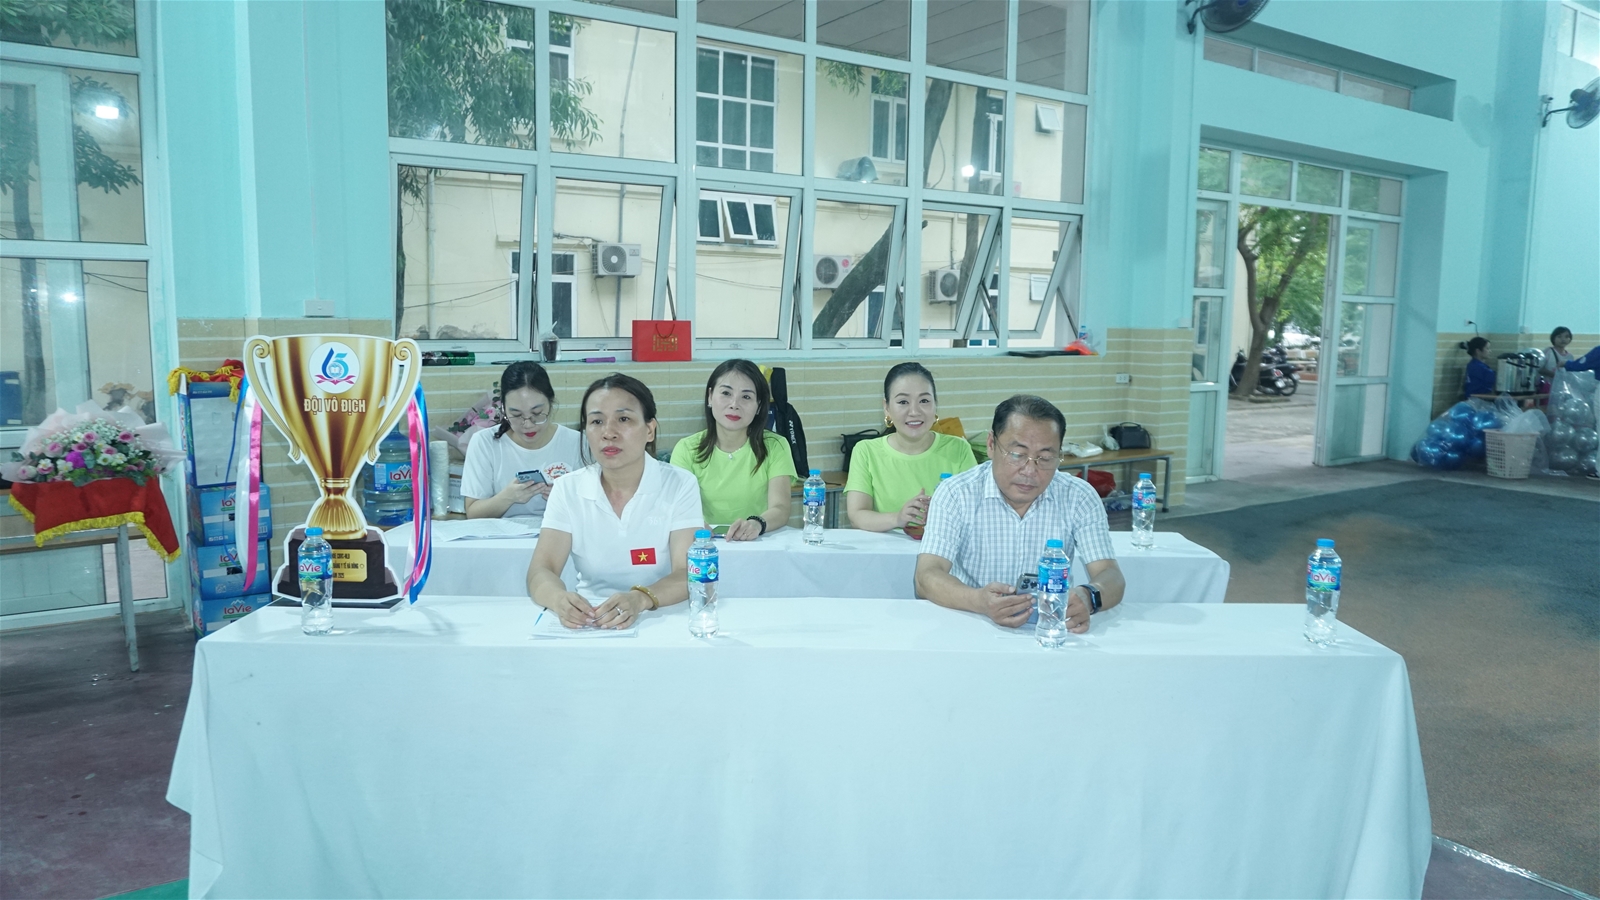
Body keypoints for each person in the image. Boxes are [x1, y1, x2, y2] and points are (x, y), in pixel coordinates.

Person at [914, 394, 1126, 635]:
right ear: (991, 445)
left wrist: (1089, 596)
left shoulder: (1079, 496)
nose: (1029, 470)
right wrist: (979, 601)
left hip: (1052, 630)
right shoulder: (955, 494)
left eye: (1045, 458)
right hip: (972, 627)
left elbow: (1111, 575)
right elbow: (926, 576)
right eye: (1017, 454)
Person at [528, 374, 704, 629]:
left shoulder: (679, 484)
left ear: (650, 430)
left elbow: (687, 573)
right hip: (590, 619)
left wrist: (640, 598)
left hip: (662, 616)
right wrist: (559, 600)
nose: (608, 433)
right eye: (597, 421)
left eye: (623, 419)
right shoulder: (568, 488)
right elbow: (541, 570)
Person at [670, 359, 796, 541]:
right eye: (726, 393)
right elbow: (678, 507)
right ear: (710, 397)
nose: (734, 404)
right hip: (703, 544)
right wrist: (694, 524)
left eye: (746, 397)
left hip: (758, 542)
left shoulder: (776, 445)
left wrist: (756, 524)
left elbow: (781, 508)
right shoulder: (686, 448)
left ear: (759, 406)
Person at [845, 362, 978, 534]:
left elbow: (975, 512)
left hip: (943, 548)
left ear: (935, 405)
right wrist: (898, 518)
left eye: (924, 401)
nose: (914, 411)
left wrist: (944, 515)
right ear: (887, 408)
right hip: (886, 549)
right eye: (903, 402)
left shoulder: (959, 448)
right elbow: (857, 515)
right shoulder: (866, 451)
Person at [461, 361, 584, 519]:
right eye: (517, 415)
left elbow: (599, 508)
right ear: (504, 409)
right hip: (502, 534)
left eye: (537, 413)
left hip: (558, 533)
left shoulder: (577, 443)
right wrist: (508, 497)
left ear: (551, 404)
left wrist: (567, 501)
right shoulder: (484, 443)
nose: (528, 424)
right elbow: (473, 513)